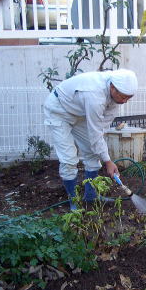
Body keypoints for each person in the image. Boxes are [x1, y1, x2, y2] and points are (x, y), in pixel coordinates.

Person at [43, 69, 138, 210]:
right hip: (59, 110)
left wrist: (104, 157)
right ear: (112, 87)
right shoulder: (95, 95)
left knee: (93, 152)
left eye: (128, 98)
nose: (124, 101)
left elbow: (101, 130)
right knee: (69, 159)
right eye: (123, 97)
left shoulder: (115, 98)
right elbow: (95, 133)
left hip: (79, 113)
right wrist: (108, 161)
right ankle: (74, 201)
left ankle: (91, 195)